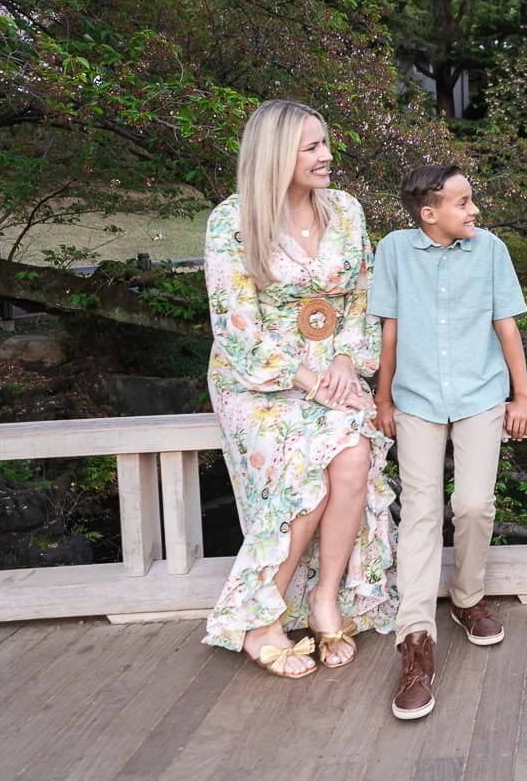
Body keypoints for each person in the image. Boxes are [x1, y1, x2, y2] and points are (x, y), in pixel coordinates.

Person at [202, 100, 397, 678]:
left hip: (335, 367)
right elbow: (235, 326)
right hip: (261, 379)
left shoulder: (346, 211)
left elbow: (364, 298)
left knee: (354, 453)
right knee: (309, 463)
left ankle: (324, 599)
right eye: (312, 147)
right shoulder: (231, 221)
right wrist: (310, 380)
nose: (327, 156)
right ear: (275, 155)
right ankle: (259, 620)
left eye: (325, 143)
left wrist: (343, 358)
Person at [369, 163, 527, 721]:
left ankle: (466, 599)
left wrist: (523, 395)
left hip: (480, 395)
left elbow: (505, 324)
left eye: (473, 200)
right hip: (414, 398)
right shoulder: (393, 251)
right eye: (463, 203)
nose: (475, 210)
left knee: (472, 504)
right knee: (419, 511)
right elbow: (389, 326)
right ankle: (416, 642)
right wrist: (383, 397)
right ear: (428, 213)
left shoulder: (490, 250)